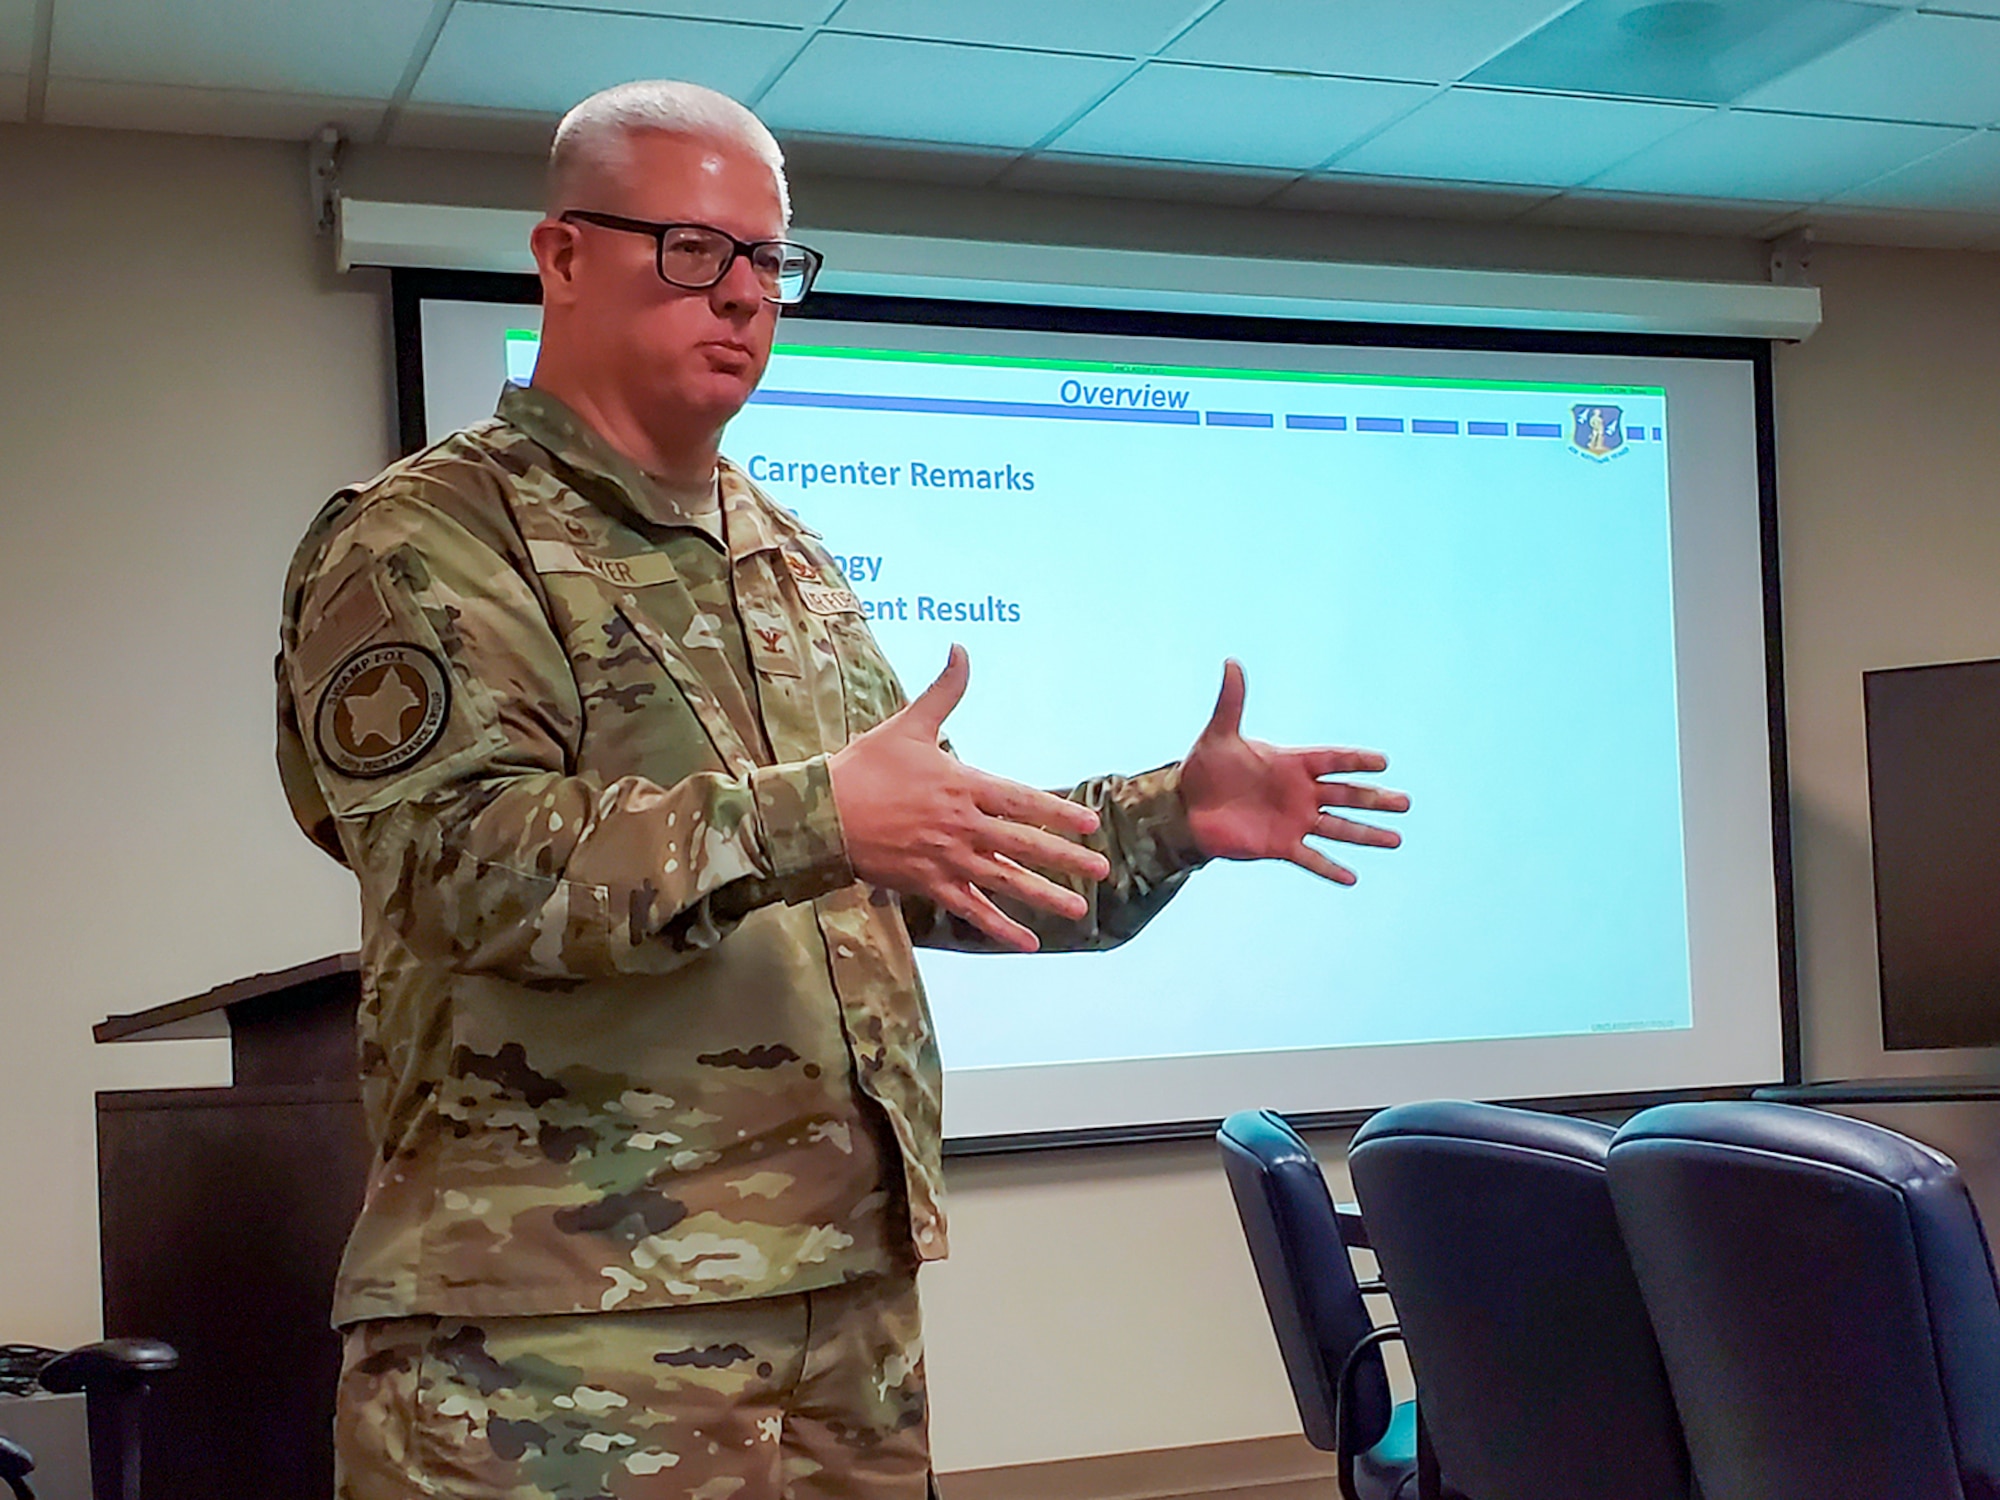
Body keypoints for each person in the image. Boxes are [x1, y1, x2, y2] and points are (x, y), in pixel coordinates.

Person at [276, 79, 1408, 1500]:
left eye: (768, 260)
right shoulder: (433, 537)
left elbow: (929, 855)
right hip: (559, 1332)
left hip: (840, 1310)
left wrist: (1169, 818)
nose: (742, 296)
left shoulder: (783, 555)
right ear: (562, 256)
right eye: (691, 249)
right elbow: (456, 865)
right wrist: (814, 814)